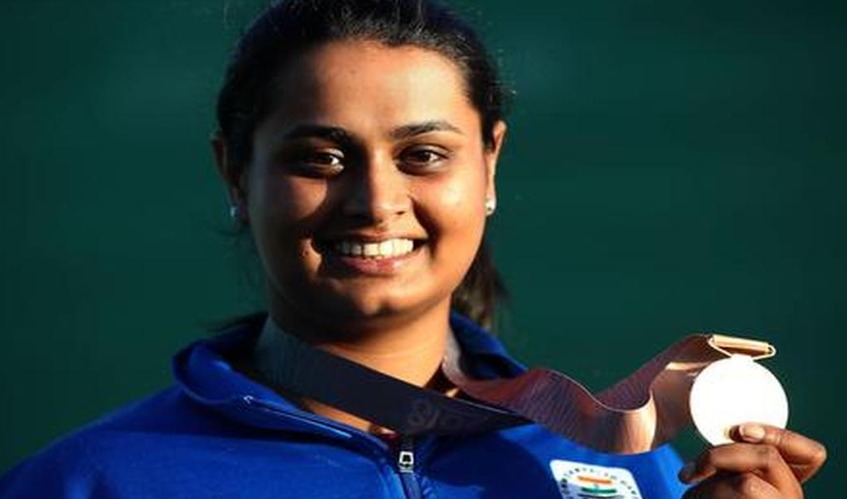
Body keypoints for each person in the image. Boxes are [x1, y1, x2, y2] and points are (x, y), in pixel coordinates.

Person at [0, 0, 826, 497]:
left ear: (489, 163)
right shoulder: (88, 482)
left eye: (423, 154)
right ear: (233, 170)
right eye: (320, 157)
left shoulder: (632, 473)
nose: (375, 200)